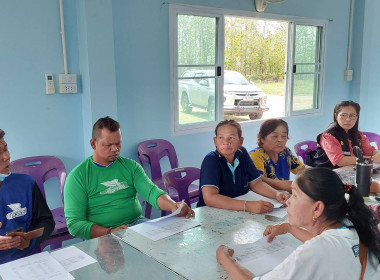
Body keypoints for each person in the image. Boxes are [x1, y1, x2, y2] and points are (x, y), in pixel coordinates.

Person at [216, 167, 380, 279]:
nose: (288, 202)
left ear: (317, 208)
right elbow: (328, 246)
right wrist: (288, 227)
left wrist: (225, 258)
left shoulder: (314, 251)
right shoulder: (351, 224)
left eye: (294, 195)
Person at [64, 116, 194, 240]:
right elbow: (75, 225)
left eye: (118, 144)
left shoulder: (130, 166)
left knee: (171, 243)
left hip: (137, 225)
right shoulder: (78, 177)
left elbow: (152, 192)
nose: (115, 149)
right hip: (103, 235)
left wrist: (173, 206)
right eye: (108, 145)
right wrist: (109, 232)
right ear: (93, 144)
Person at [197, 120, 289, 213]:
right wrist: (247, 205)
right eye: (221, 137)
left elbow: (256, 183)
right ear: (215, 141)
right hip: (212, 213)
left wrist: (276, 194)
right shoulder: (211, 160)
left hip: (238, 211)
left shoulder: (242, 154)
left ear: (240, 141)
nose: (226, 142)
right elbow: (210, 198)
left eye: (231, 138)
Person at [0, 129, 55, 264]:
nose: (6, 156)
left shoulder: (26, 183)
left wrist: (29, 239)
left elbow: (47, 222)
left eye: (6, 149)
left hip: (28, 261)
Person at [313, 100, 380, 193]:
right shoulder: (328, 136)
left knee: (369, 186)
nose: (348, 119)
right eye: (343, 115)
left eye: (352, 116)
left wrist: (377, 154)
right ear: (336, 116)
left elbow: (370, 151)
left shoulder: (358, 135)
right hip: (327, 177)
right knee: (368, 189)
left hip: (349, 174)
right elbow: (340, 161)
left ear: (357, 117)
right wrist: (372, 159)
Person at [249, 119, 304, 193]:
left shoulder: (285, 152)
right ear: (262, 138)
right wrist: (284, 185)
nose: (280, 140)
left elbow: (302, 169)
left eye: (284, 136)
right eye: (275, 136)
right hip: (265, 196)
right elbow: (258, 181)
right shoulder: (255, 155)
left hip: (283, 194)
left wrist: (318, 173)